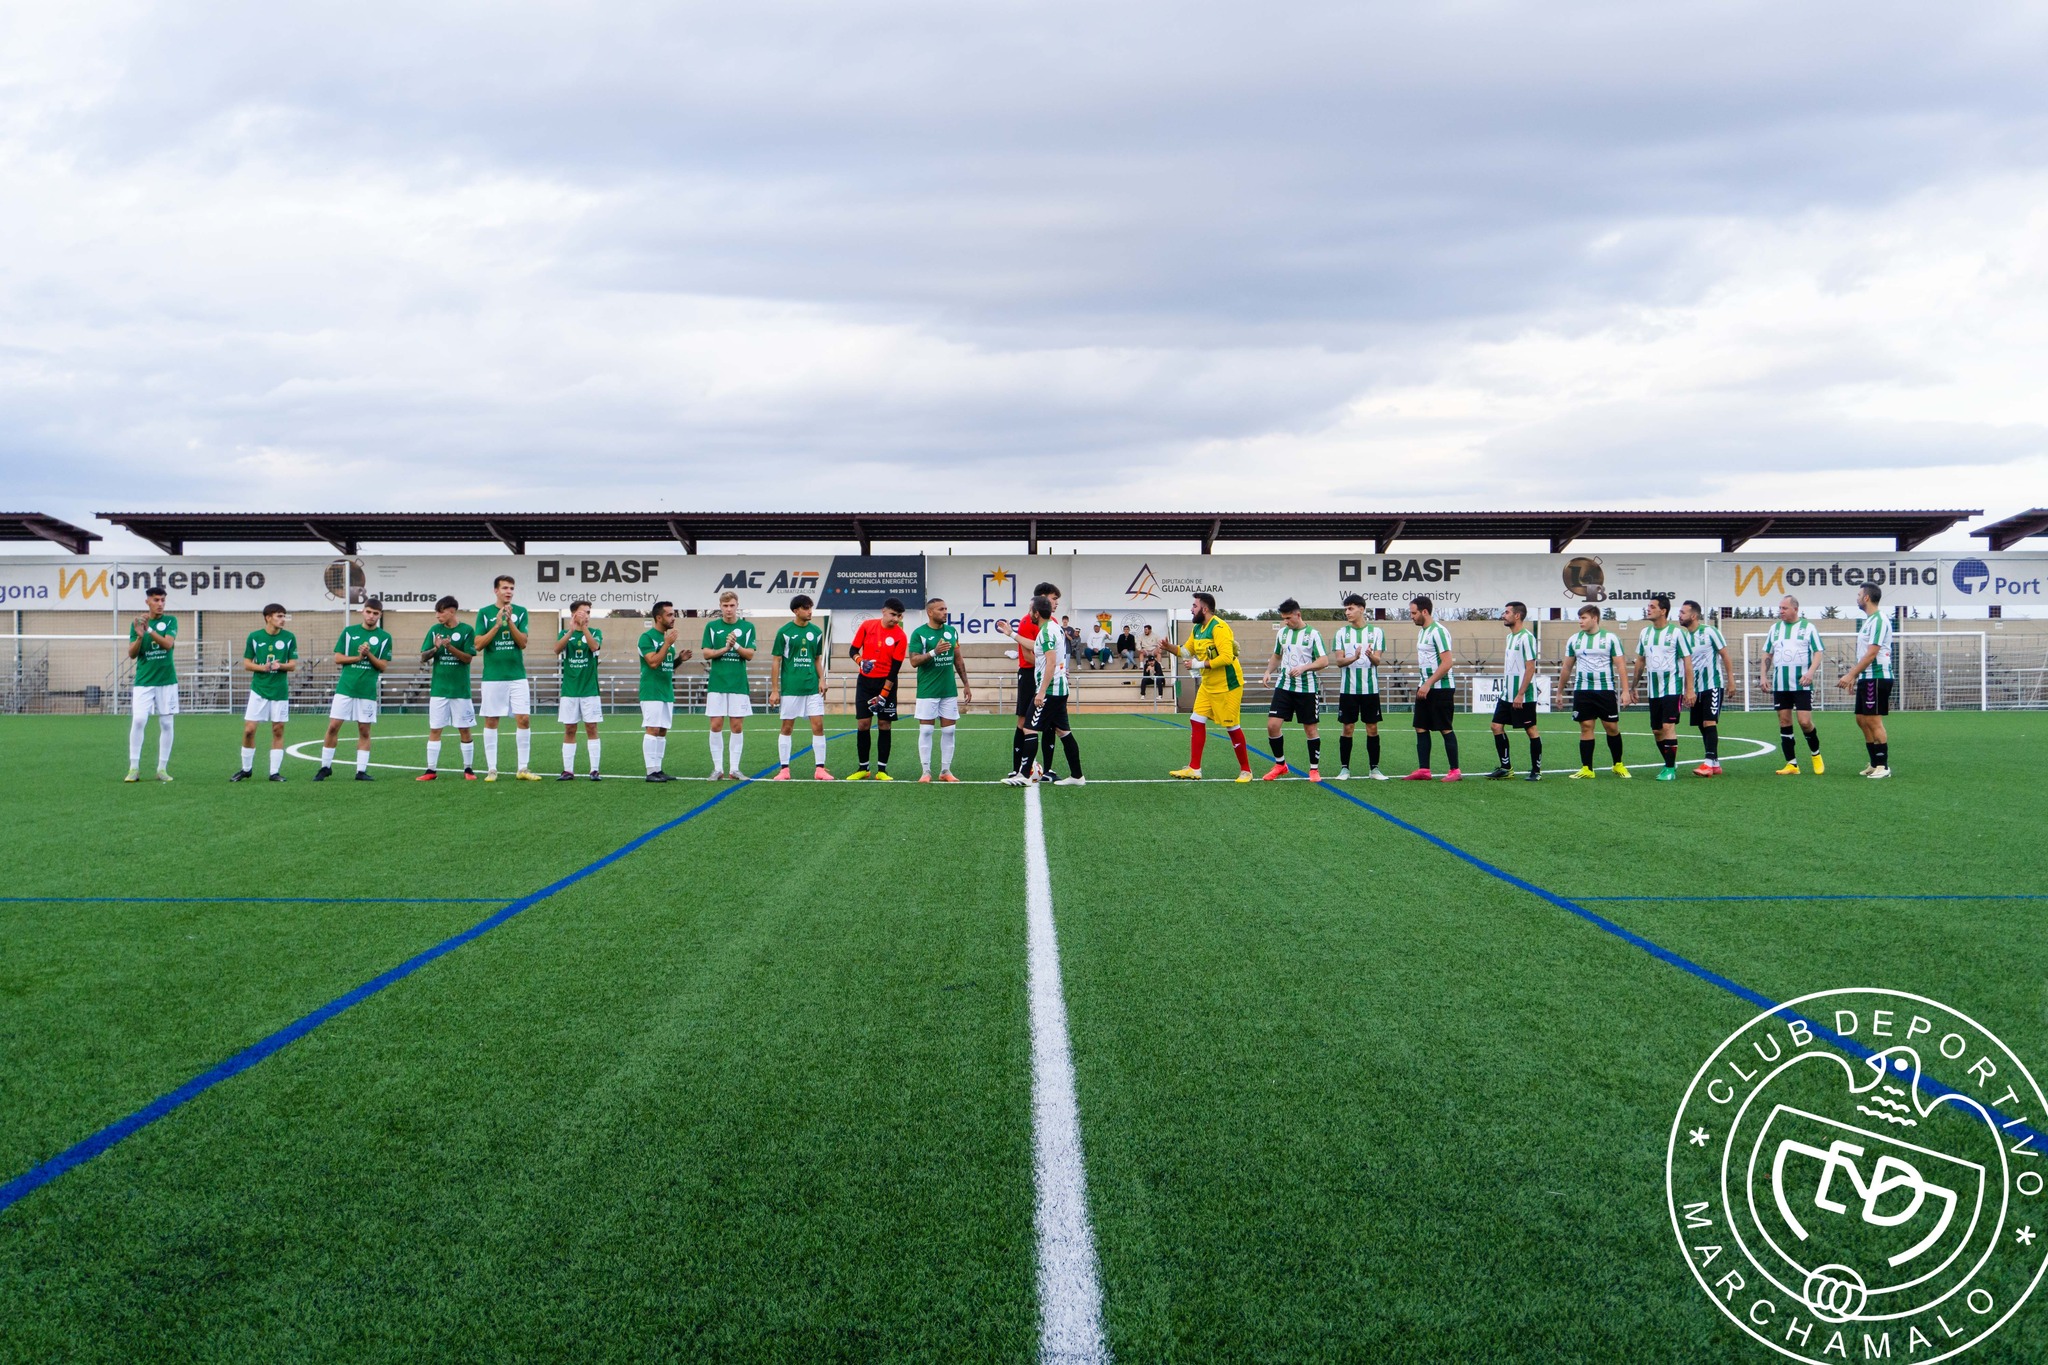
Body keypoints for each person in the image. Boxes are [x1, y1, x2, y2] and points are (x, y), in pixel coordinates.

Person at [1161, 592, 1253, 781]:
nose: (1191, 609)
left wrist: (1198, 664)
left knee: (1232, 727)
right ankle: (1194, 768)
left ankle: (1246, 771)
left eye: (1194, 606)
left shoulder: (1219, 627)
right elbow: (1186, 651)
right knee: (1196, 719)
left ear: (1204, 609)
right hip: (1208, 685)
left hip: (1228, 685)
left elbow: (1227, 658)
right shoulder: (1197, 629)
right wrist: (1168, 646)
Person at [1005, 594, 1085, 786]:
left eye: (1031, 609)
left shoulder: (1048, 631)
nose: (1029, 613)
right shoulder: (1051, 628)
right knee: (1063, 732)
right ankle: (1077, 776)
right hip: (1058, 690)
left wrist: (1040, 692)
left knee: (1029, 728)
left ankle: (1024, 776)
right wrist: (1011, 634)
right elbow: (1036, 646)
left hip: (1050, 691)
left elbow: (1050, 661)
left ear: (1037, 612)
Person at [317, 598, 392, 781]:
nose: (371, 616)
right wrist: (358, 658)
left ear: (380, 615)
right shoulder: (349, 632)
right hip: (345, 689)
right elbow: (338, 658)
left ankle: (361, 771)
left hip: (367, 691)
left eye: (375, 613)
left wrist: (368, 654)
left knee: (364, 730)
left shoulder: (385, 637)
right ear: (362, 611)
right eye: (369, 612)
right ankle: (325, 767)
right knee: (333, 726)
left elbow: (382, 666)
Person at [476, 574, 540, 781]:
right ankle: (492, 769)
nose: (508, 592)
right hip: (493, 677)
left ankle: (523, 768)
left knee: (524, 718)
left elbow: (522, 642)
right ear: (496, 590)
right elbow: (478, 645)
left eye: (511, 588)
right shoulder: (484, 614)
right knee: (491, 720)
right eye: (504, 588)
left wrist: (509, 620)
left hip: (517, 676)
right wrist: (497, 624)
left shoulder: (521, 613)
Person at [1259, 597, 1330, 780]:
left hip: (1307, 689)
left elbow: (1324, 661)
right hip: (1284, 686)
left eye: (1288, 618)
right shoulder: (1282, 633)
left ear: (1298, 615)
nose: (1285, 621)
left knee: (1310, 729)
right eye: (1283, 618)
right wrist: (1268, 671)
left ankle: (1314, 769)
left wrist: (1304, 667)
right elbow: (1276, 655)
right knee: (1272, 726)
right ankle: (1280, 765)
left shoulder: (1313, 634)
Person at [997, 582, 1063, 773]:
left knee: (1050, 722)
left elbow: (1054, 654)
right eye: (1054, 598)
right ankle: (1018, 768)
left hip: (1048, 674)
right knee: (1023, 721)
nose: (1057, 603)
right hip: (1029, 675)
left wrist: (1056, 668)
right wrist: (1050, 666)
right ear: (1042, 599)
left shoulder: (1054, 623)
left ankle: (1048, 770)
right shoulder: (1027, 621)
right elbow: (1027, 655)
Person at [1559, 605, 1629, 779]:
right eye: (1580, 618)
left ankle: (1618, 764)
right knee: (1586, 727)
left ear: (1595, 618)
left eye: (1584, 618)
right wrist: (1559, 691)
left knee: (1611, 727)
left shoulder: (1611, 638)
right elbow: (1567, 666)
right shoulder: (1574, 640)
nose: (1580, 621)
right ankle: (1587, 768)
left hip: (1605, 690)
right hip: (1583, 690)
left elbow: (1620, 665)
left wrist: (1626, 691)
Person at [1631, 594, 1695, 782]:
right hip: (1653, 690)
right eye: (1648, 606)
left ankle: (1669, 769)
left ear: (1663, 611)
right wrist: (1633, 686)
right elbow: (1640, 660)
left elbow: (1687, 662)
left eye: (1652, 606)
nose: (1648, 609)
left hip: (1672, 689)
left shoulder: (1677, 633)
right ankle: (1670, 761)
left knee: (1668, 726)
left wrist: (1689, 690)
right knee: (1657, 730)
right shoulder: (1645, 633)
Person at [909, 597, 972, 782]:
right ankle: (926, 771)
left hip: (948, 691)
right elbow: (913, 661)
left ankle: (945, 771)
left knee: (949, 731)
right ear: (930, 612)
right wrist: (934, 652)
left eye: (946, 609)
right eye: (941, 609)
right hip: (927, 690)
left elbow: (958, 659)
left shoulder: (952, 632)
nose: (945, 612)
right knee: (927, 731)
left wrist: (966, 684)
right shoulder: (919, 634)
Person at [770, 593, 832, 780]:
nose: (809, 611)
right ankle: (784, 770)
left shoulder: (817, 632)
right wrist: (775, 689)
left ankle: (820, 769)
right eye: (805, 608)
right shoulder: (784, 632)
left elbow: (817, 659)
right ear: (796, 611)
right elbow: (776, 661)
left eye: (810, 607)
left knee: (818, 726)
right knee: (787, 727)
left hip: (812, 687)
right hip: (791, 689)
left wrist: (822, 679)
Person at [1762, 595, 1826, 776]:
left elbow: (1818, 652)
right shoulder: (1774, 629)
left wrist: (1810, 673)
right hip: (1781, 684)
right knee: (1784, 721)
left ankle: (1816, 754)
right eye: (1779, 608)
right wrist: (1763, 676)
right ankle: (1791, 764)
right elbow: (1768, 654)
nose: (1780, 611)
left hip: (1802, 683)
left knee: (1805, 722)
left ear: (1795, 609)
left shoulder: (1808, 628)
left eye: (1784, 608)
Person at [234, 602, 297, 782]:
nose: (282, 619)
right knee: (249, 730)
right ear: (268, 618)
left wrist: (280, 665)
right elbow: (247, 663)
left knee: (278, 730)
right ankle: (246, 769)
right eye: (279, 616)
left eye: (283, 616)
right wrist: (263, 668)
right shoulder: (254, 637)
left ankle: (274, 772)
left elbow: (293, 664)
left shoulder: (289, 637)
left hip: (279, 691)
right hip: (259, 690)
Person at [846, 598, 908, 779]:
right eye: (893, 614)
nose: (896, 619)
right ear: (883, 611)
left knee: (884, 724)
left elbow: (895, 670)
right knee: (863, 724)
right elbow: (853, 650)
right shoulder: (867, 626)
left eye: (899, 616)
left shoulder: (900, 636)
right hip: (865, 682)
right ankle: (863, 769)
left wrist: (883, 695)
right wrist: (861, 662)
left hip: (886, 683)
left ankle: (882, 770)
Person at [419, 595, 478, 781]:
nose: (438, 616)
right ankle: (430, 770)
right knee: (435, 729)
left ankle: (468, 769)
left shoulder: (467, 630)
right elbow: (423, 657)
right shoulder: (434, 630)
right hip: (439, 690)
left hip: (460, 690)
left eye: (441, 611)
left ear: (452, 611)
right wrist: (436, 649)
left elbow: (468, 658)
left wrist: (450, 647)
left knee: (464, 729)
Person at [1837, 583, 1893, 779]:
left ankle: (1883, 766)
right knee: (1861, 719)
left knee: (1873, 720)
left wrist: (1850, 675)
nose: (1857, 598)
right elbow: (1864, 655)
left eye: (1859, 594)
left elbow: (1871, 655)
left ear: (1867, 598)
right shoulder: (1869, 621)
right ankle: (1874, 763)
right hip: (1867, 677)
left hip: (1877, 677)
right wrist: (1857, 675)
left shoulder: (1879, 620)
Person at [125, 586, 178, 782]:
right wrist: (140, 635)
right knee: (139, 720)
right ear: (147, 601)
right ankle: (134, 768)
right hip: (144, 681)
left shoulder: (171, 620)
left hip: (166, 681)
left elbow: (168, 644)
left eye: (163, 600)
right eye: (156, 600)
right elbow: (131, 654)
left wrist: (148, 630)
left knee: (166, 722)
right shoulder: (137, 624)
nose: (160, 604)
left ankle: (162, 769)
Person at [702, 589, 757, 780]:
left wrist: (735, 646)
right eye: (725, 606)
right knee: (716, 725)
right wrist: (725, 648)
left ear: (737, 606)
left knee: (737, 726)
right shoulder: (711, 626)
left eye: (732, 605)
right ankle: (718, 768)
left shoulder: (748, 627)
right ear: (720, 607)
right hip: (717, 684)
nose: (728, 609)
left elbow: (750, 654)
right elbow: (707, 653)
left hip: (738, 684)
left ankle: (734, 769)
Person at [1405, 595, 1460, 781]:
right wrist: (1423, 684)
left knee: (1445, 727)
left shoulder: (1439, 631)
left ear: (1425, 612)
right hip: (1425, 687)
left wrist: (1428, 683)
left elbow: (1447, 663)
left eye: (1414, 613)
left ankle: (1455, 771)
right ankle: (1424, 770)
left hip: (1440, 688)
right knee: (1420, 726)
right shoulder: (1422, 632)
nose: (1411, 616)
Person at [1331, 594, 1386, 780]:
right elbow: (1338, 661)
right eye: (1346, 609)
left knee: (1372, 727)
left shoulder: (1377, 632)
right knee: (1348, 727)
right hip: (1348, 690)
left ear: (1362, 609)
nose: (1347, 612)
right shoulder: (1341, 633)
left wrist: (1370, 655)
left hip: (1370, 690)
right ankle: (1344, 768)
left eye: (1351, 608)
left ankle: (1374, 769)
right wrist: (1354, 657)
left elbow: (1378, 661)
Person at [636, 600, 692, 782]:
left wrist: (679, 660)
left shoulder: (667, 640)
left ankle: (658, 769)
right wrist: (667, 644)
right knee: (652, 729)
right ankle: (650, 771)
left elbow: (665, 665)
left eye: (673, 614)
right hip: (652, 691)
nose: (673, 617)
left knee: (662, 730)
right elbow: (652, 662)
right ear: (658, 618)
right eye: (669, 614)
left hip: (666, 691)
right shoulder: (647, 638)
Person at [1486, 601, 1542, 781]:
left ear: (1517, 615)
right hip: (1507, 694)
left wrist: (1520, 693)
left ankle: (1536, 771)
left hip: (1523, 695)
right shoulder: (1510, 637)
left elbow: (1530, 667)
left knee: (1531, 730)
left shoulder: (1527, 638)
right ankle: (1506, 767)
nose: (1504, 615)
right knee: (1496, 726)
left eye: (1507, 612)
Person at [1678, 600, 1729, 778]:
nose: (1679, 615)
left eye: (1683, 612)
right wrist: (1686, 690)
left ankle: (1707, 763)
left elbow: (1724, 655)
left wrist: (1731, 681)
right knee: (1701, 724)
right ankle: (1715, 763)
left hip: (1712, 685)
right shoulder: (1683, 637)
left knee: (1709, 722)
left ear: (1693, 615)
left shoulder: (1709, 632)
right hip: (1695, 689)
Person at [555, 600, 604, 781]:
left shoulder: (595, 633)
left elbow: (594, 647)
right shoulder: (564, 633)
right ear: (574, 614)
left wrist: (584, 628)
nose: (587, 616)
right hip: (570, 691)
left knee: (592, 727)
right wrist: (571, 630)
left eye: (589, 613)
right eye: (584, 612)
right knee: (569, 728)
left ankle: (594, 770)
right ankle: (568, 770)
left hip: (589, 690)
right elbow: (556, 649)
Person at [1137, 625, 1165, 698]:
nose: (1151, 663)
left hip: (1153, 649)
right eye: (1144, 629)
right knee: (1143, 680)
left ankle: (1160, 696)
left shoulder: (1157, 664)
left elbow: (1160, 674)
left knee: (1158, 679)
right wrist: (1147, 670)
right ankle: (1142, 695)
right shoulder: (1147, 665)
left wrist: (1154, 671)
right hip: (1145, 649)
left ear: (1150, 630)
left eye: (1146, 629)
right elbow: (1145, 676)